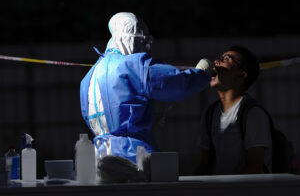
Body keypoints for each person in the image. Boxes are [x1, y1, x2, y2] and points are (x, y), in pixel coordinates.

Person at [80, 12, 213, 163]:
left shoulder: (89, 76)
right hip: (134, 156)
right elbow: (176, 83)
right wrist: (201, 74)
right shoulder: (133, 65)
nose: (146, 50)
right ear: (133, 39)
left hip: (100, 158)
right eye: (145, 44)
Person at [194, 45, 272, 175]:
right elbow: (204, 164)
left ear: (241, 74)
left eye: (225, 59)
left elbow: (255, 170)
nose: (216, 62)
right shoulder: (209, 114)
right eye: (219, 58)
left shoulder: (252, 114)